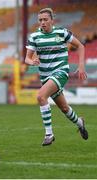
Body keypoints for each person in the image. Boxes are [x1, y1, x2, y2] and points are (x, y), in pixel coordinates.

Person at [25, 7, 88, 146]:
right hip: (46, 77)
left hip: (60, 72)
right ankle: (80, 123)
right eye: (40, 20)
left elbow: (80, 46)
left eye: (45, 19)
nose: (42, 22)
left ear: (52, 20)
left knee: (41, 96)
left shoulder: (62, 33)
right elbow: (27, 59)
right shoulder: (34, 37)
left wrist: (81, 65)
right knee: (64, 108)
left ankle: (49, 134)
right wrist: (32, 61)